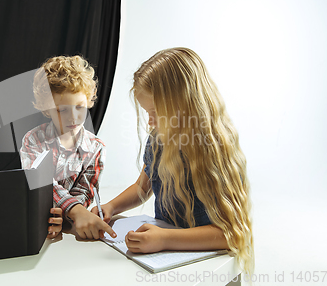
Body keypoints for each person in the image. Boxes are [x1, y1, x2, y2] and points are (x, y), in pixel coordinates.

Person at [92, 47, 254, 275]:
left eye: (155, 112)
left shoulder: (213, 149)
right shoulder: (159, 139)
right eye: (147, 113)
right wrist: (110, 206)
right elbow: (142, 187)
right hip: (163, 262)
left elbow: (231, 234)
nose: (150, 122)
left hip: (203, 264)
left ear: (184, 104)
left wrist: (166, 239)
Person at [20, 55, 116, 240]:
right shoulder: (33, 140)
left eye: (79, 107)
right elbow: (41, 183)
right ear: (46, 109)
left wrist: (65, 217)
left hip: (68, 224)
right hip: (36, 220)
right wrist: (72, 212)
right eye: (62, 110)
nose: (73, 118)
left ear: (88, 100)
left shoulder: (96, 148)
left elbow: (85, 191)